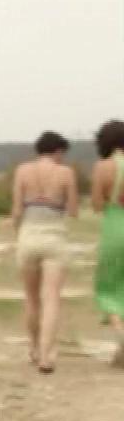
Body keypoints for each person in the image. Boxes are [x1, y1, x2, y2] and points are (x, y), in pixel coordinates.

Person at [10, 131, 79, 373]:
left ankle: (33, 348)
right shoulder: (66, 173)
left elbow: (17, 210)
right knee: (51, 299)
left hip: (28, 236)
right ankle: (46, 355)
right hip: (55, 238)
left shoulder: (22, 171)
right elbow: (73, 210)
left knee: (31, 298)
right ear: (58, 151)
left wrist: (14, 235)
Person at [90, 120, 124, 367]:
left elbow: (97, 204)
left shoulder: (103, 167)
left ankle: (121, 334)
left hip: (115, 229)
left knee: (108, 288)